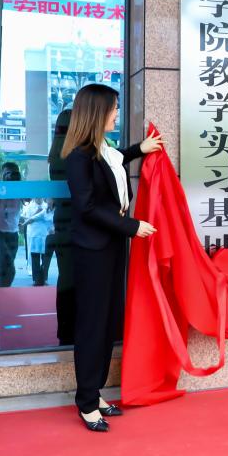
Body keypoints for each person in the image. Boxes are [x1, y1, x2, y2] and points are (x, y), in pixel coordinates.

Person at [63, 84, 161, 432]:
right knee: (93, 325)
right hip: (93, 251)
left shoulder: (103, 150)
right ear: (97, 113)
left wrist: (139, 149)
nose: (117, 114)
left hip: (111, 247)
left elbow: (116, 160)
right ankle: (86, 402)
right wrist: (131, 226)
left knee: (107, 322)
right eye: (114, 109)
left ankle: (95, 391)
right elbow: (87, 207)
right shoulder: (78, 157)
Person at [47, 110, 75, 345]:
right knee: (74, 279)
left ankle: (65, 329)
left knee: (65, 277)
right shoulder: (73, 155)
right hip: (74, 222)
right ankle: (70, 329)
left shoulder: (56, 154)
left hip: (62, 221)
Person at [0, 162, 22, 287]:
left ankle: (3, 289)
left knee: (7, 265)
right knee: (7, 266)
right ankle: (0, 289)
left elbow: (29, 197)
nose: (11, 176)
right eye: (7, 173)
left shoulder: (19, 189)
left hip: (13, 233)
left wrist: (20, 183)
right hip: (0, 233)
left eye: (14, 173)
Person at [21, 198, 54, 286]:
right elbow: (31, 218)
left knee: (45, 259)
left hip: (46, 236)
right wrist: (23, 224)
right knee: (35, 257)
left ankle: (44, 278)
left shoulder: (47, 207)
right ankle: (36, 279)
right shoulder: (30, 206)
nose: (38, 197)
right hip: (34, 235)